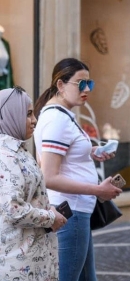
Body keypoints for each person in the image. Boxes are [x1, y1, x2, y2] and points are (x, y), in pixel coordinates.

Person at [33, 58, 123, 281]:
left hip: (72, 211)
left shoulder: (58, 116)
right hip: (70, 212)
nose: (86, 90)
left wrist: (90, 152)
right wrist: (97, 190)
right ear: (61, 85)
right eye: (80, 83)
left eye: (89, 84)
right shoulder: (57, 120)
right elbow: (49, 176)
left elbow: (61, 157)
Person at [0, 86, 66, 280]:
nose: (34, 120)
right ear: (9, 115)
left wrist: (49, 209)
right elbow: (13, 209)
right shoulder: (6, 156)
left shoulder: (18, 150)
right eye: (28, 114)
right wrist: (50, 217)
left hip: (32, 258)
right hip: (17, 263)